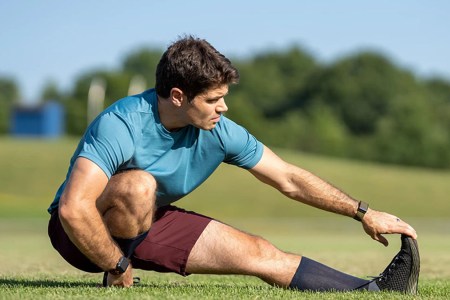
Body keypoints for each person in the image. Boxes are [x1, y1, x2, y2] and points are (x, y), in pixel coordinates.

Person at [47, 35, 420, 294]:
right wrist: (117, 265)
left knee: (259, 253)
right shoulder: (122, 122)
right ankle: (118, 275)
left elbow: (288, 178)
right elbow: (74, 209)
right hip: (77, 234)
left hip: (146, 223)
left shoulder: (220, 131)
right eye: (213, 99)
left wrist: (363, 212)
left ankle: (372, 289)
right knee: (138, 185)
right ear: (178, 96)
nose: (223, 108)